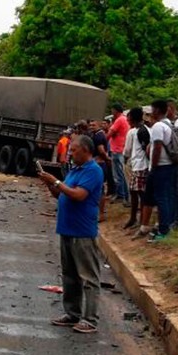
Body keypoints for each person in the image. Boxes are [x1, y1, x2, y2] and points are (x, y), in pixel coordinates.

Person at [38, 134, 105, 335]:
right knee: (70, 276)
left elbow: (78, 195)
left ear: (85, 150)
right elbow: (61, 194)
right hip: (67, 228)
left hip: (82, 231)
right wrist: (50, 184)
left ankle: (90, 319)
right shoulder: (75, 170)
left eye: (73, 150)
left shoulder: (93, 170)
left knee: (88, 277)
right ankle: (72, 313)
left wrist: (56, 182)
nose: (70, 153)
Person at [143, 100, 178, 242]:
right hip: (169, 166)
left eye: (152, 109)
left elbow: (157, 147)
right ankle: (166, 226)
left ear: (157, 110)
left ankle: (163, 231)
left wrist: (154, 166)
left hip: (161, 167)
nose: (151, 112)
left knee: (161, 198)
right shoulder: (168, 124)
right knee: (167, 196)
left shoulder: (158, 126)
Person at [122, 107, 149, 230]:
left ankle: (140, 220)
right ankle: (134, 218)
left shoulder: (138, 131)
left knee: (140, 194)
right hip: (139, 165)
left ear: (131, 118)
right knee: (134, 192)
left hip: (140, 166)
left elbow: (129, 150)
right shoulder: (144, 129)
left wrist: (126, 159)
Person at [107, 104, 130, 204]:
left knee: (118, 174)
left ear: (115, 110)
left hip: (117, 149)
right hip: (121, 149)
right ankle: (122, 195)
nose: (112, 112)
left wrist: (104, 140)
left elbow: (110, 134)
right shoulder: (125, 119)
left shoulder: (119, 120)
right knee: (121, 173)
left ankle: (122, 195)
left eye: (112, 110)